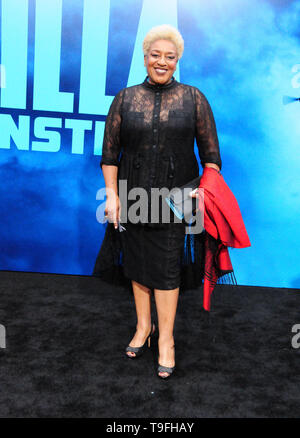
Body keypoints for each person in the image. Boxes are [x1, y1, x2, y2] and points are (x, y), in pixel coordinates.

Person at [93, 24, 223, 379]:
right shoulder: (125, 98)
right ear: (145, 57)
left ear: (177, 60)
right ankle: (143, 327)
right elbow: (109, 156)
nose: (162, 61)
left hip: (177, 200)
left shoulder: (194, 98)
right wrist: (113, 197)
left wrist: (204, 189)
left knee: (166, 271)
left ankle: (166, 340)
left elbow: (211, 158)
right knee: (136, 266)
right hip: (132, 195)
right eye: (155, 55)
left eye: (170, 56)